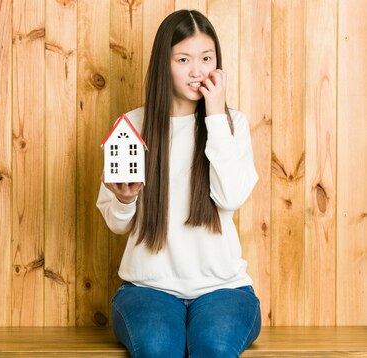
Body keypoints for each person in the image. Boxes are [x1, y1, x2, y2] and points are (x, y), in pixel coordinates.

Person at [97, 9, 261, 358]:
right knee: (157, 348)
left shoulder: (233, 124)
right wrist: (125, 201)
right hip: (147, 289)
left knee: (214, 347)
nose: (197, 71)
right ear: (164, 63)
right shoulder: (132, 125)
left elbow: (230, 196)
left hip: (224, 291)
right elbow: (115, 223)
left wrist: (216, 115)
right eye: (183, 59)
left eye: (206, 58)